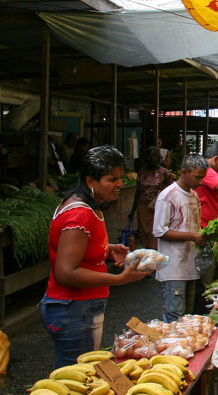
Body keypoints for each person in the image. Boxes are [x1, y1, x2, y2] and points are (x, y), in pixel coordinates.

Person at [41, 146, 150, 369]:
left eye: (120, 177)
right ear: (91, 181)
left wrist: (107, 249)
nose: (120, 184)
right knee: (76, 378)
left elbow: (75, 248)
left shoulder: (84, 205)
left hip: (78, 308)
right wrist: (119, 280)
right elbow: (65, 272)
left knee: (81, 372)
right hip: (73, 308)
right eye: (112, 179)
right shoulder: (79, 213)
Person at [153, 154, 208, 322]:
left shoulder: (194, 195)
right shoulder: (168, 196)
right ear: (184, 172)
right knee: (174, 316)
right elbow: (159, 231)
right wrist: (192, 236)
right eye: (197, 177)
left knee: (188, 317)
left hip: (191, 265)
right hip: (173, 268)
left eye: (202, 178)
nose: (200, 182)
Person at [134, 146, 172, 250]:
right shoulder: (141, 172)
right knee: (144, 234)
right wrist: (132, 211)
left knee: (155, 234)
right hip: (143, 208)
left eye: (154, 156)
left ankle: (155, 257)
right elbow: (138, 191)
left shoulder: (165, 173)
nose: (151, 159)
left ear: (159, 158)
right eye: (149, 156)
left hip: (158, 209)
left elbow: (171, 192)